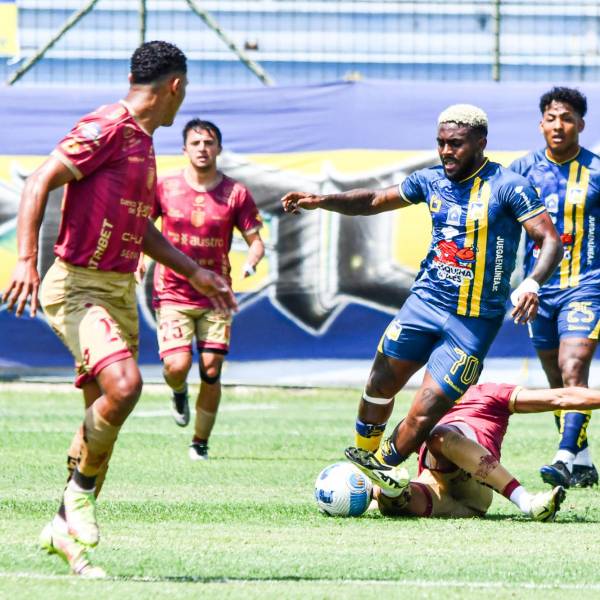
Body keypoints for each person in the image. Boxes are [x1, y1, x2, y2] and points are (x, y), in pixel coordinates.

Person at [1, 41, 237, 577]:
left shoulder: (145, 143)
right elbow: (39, 180)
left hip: (118, 292)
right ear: (176, 86)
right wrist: (25, 260)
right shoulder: (108, 126)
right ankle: (78, 498)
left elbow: (139, 226)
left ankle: (63, 530)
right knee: (126, 386)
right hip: (77, 286)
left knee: (102, 425)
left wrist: (194, 270)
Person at [282, 104, 563, 497]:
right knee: (380, 383)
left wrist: (532, 283)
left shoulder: (508, 186)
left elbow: (549, 239)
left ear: (481, 143)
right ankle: (362, 461)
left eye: (456, 144)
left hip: (473, 322)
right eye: (441, 143)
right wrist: (321, 200)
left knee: (427, 408)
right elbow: (374, 200)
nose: (446, 151)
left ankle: (376, 473)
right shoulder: (430, 180)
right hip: (424, 304)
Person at [149, 118, 264, 460]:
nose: (203, 149)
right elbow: (142, 227)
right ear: (184, 149)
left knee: (211, 369)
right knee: (177, 365)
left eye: (209, 143)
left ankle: (200, 442)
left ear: (219, 148)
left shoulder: (236, 193)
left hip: (216, 294)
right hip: (172, 291)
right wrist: (138, 259)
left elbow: (256, 241)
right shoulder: (165, 187)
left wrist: (252, 260)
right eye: (196, 143)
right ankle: (179, 391)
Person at [510, 87, 600, 489]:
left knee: (573, 367)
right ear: (541, 124)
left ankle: (562, 458)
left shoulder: (596, 171)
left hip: (587, 285)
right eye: (551, 118)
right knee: (556, 379)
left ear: (581, 124)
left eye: (566, 118)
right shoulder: (521, 171)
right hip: (539, 291)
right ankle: (582, 460)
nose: (558, 125)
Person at [371, 381, 600, 520]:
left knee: (439, 435)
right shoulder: (428, 399)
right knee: (390, 503)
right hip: (438, 489)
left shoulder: (489, 392)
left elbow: (560, 398)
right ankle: (385, 490)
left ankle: (528, 502)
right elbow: (402, 443)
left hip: (475, 486)